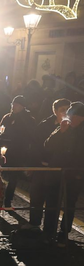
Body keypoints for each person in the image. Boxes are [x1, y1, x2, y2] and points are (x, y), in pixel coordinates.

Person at [28, 98, 70, 239]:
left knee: (53, 201)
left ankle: (49, 231)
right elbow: (35, 145)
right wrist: (35, 163)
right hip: (41, 167)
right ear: (55, 111)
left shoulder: (72, 128)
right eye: (62, 109)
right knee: (37, 197)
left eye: (68, 109)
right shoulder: (44, 125)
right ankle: (34, 224)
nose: (65, 112)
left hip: (57, 169)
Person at [44, 101, 84, 247]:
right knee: (52, 202)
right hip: (57, 172)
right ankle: (48, 232)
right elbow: (48, 146)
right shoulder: (63, 127)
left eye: (74, 116)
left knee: (69, 204)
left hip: (74, 174)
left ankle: (63, 233)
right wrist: (61, 132)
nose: (70, 118)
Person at [0, 95, 36, 210]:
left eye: (17, 105)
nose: (14, 106)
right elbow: (1, 130)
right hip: (5, 149)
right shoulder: (7, 117)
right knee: (0, 173)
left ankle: (8, 200)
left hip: (18, 151)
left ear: (23, 106)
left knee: (13, 177)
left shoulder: (29, 119)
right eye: (13, 104)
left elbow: (30, 136)